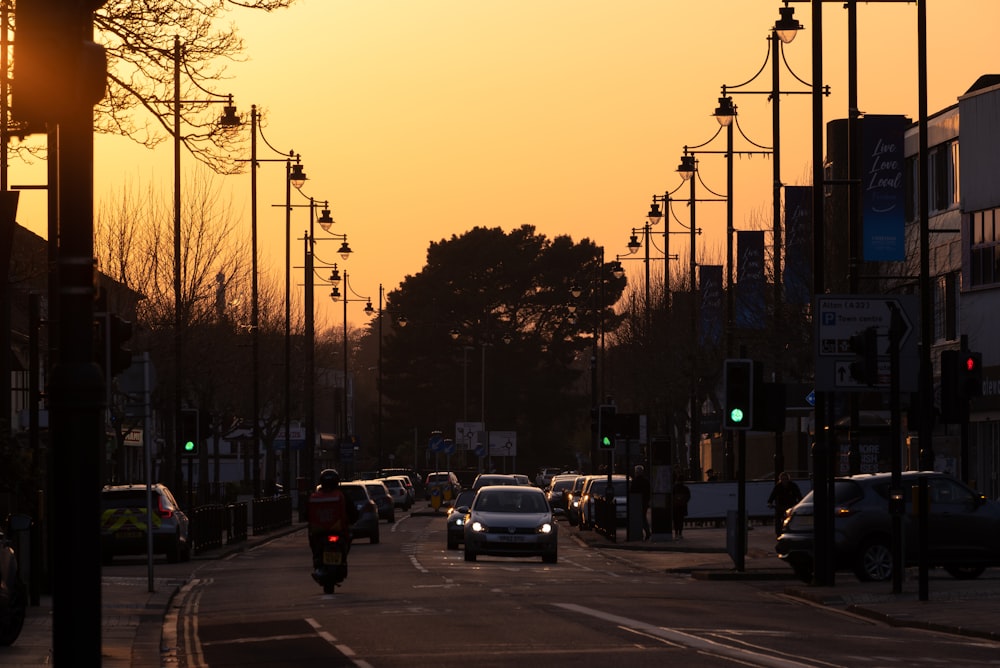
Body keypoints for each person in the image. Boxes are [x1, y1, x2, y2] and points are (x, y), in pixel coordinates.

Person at [307, 469, 359, 570]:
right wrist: (353, 520)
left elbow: (307, 513)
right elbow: (352, 511)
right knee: (348, 539)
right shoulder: (342, 495)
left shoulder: (315, 496)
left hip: (319, 532)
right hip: (338, 530)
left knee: (313, 540)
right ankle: (342, 560)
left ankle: (317, 559)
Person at [767, 471, 803, 536]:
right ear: (780, 479)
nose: (784, 481)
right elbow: (773, 495)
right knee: (778, 519)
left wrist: (800, 503)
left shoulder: (793, 486)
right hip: (780, 506)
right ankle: (778, 533)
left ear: (788, 479)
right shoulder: (778, 486)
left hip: (791, 505)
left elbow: (799, 495)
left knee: (792, 519)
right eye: (783, 479)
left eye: (786, 479)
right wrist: (769, 502)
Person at [632, 465, 651, 540]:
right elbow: (648, 491)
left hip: (637, 502)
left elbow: (632, 491)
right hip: (644, 501)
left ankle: (646, 532)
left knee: (641, 518)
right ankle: (647, 532)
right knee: (643, 517)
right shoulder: (646, 481)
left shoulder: (635, 481)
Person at [671, 472, 691, 539]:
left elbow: (671, 496)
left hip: (675, 506)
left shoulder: (674, 487)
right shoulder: (685, 488)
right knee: (681, 520)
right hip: (682, 506)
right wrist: (684, 501)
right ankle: (680, 533)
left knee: (676, 520)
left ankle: (676, 533)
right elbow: (688, 497)